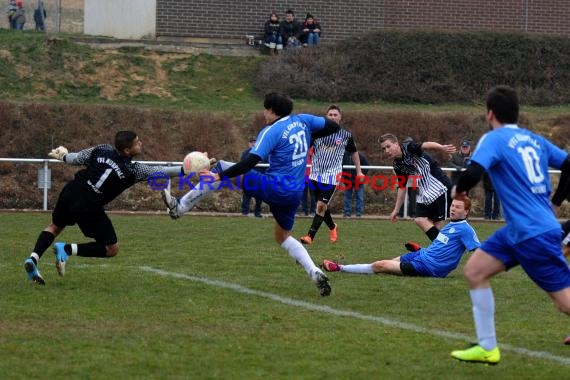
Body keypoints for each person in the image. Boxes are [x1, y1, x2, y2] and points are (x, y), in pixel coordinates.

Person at [161, 92, 340, 296]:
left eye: (265, 109)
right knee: (282, 237)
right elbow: (334, 127)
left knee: (221, 166)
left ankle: (179, 207)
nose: (264, 113)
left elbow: (249, 162)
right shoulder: (303, 120)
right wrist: (309, 137)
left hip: (275, 186)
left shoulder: (271, 131)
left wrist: (219, 177)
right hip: (294, 194)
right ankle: (314, 271)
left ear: (271, 110)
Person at [450, 85, 570, 364]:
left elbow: (474, 172)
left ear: (490, 114)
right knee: (475, 271)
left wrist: (458, 190)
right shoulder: (534, 139)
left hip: (533, 234)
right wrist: (556, 201)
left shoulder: (494, 139)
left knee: (563, 301)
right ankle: (487, 347)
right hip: (520, 231)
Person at [23, 131, 183, 285]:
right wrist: (186, 169)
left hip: (72, 190)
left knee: (55, 227)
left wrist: (63, 155)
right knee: (111, 248)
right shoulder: (133, 170)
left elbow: (76, 158)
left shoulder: (102, 149)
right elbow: (161, 171)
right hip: (89, 205)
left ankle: (33, 258)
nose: (140, 143)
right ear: (127, 150)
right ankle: (65, 249)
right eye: (137, 142)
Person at [323, 197, 479, 277]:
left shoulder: (465, 230)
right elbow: (442, 245)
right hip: (422, 255)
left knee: (381, 266)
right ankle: (345, 267)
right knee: (387, 262)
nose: (453, 209)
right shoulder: (452, 225)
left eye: (458, 207)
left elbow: (479, 252)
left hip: (428, 267)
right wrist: (421, 249)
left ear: (466, 212)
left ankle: (339, 268)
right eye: (452, 205)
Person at [300, 105, 363, 245]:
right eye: (330, 115)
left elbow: (354, 152)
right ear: (326, 117)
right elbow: (305, 148)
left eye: (335, 114)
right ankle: (333, 226)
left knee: (321, 205)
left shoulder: (345, 135)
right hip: (315, 173)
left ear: (340, 117)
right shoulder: (316, 132)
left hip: (332, 174)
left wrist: (359, 171)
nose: (333, 117)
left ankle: (310, 236)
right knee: (320, 205)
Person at [379, 134, 455, 242]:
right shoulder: (397, 165)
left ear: (396, 144)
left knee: (437, 226)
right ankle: (445, 245)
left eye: (388, 146)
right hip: (425, 192)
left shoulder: (408, 147)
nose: (386, 151)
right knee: (420, 219)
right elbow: (402, 186)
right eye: (383, 149)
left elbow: (426, 145)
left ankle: (443, 249)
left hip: (439, 187)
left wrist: (442, 148)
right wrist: (396, 210)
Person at [240, 136, 263, 217]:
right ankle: (244, 212)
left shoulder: (262, 152)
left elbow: (266, 166)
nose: (253, 144)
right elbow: (241, 166)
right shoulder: (245, 153)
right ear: (248, 144)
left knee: (259, 197)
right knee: (246, 196)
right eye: (251, 142)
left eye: (255, 142)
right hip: (248, 178)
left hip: (259, 178)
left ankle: (257, 213)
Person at [343, 151, 368, 218]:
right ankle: (347, 213)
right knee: (347, 197)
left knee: (359, 197)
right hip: (347, 180)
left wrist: (362, 175)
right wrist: (343, 175)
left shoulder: (361, 156)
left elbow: (366, 166)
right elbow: (340, 166)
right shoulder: (344, 155)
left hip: (358, 180)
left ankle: (359, 214)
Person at [301, 146, 316, 216]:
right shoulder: (302, 149)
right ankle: (304, 211)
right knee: (303, 194)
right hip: (303, 175)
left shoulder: (314, 149)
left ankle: (313, 211)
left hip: (312, 175)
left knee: (313, 195)